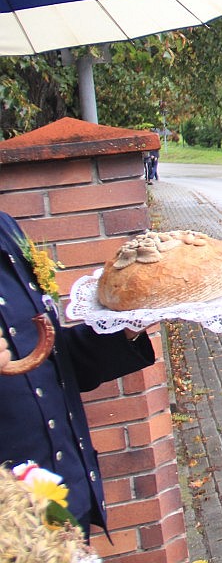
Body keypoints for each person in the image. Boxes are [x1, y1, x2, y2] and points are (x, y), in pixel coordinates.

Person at [0, 212, 155, 536]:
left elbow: (51, 364)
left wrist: (127, 326)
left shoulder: (5, 227)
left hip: (63, 503)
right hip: (12, 531)